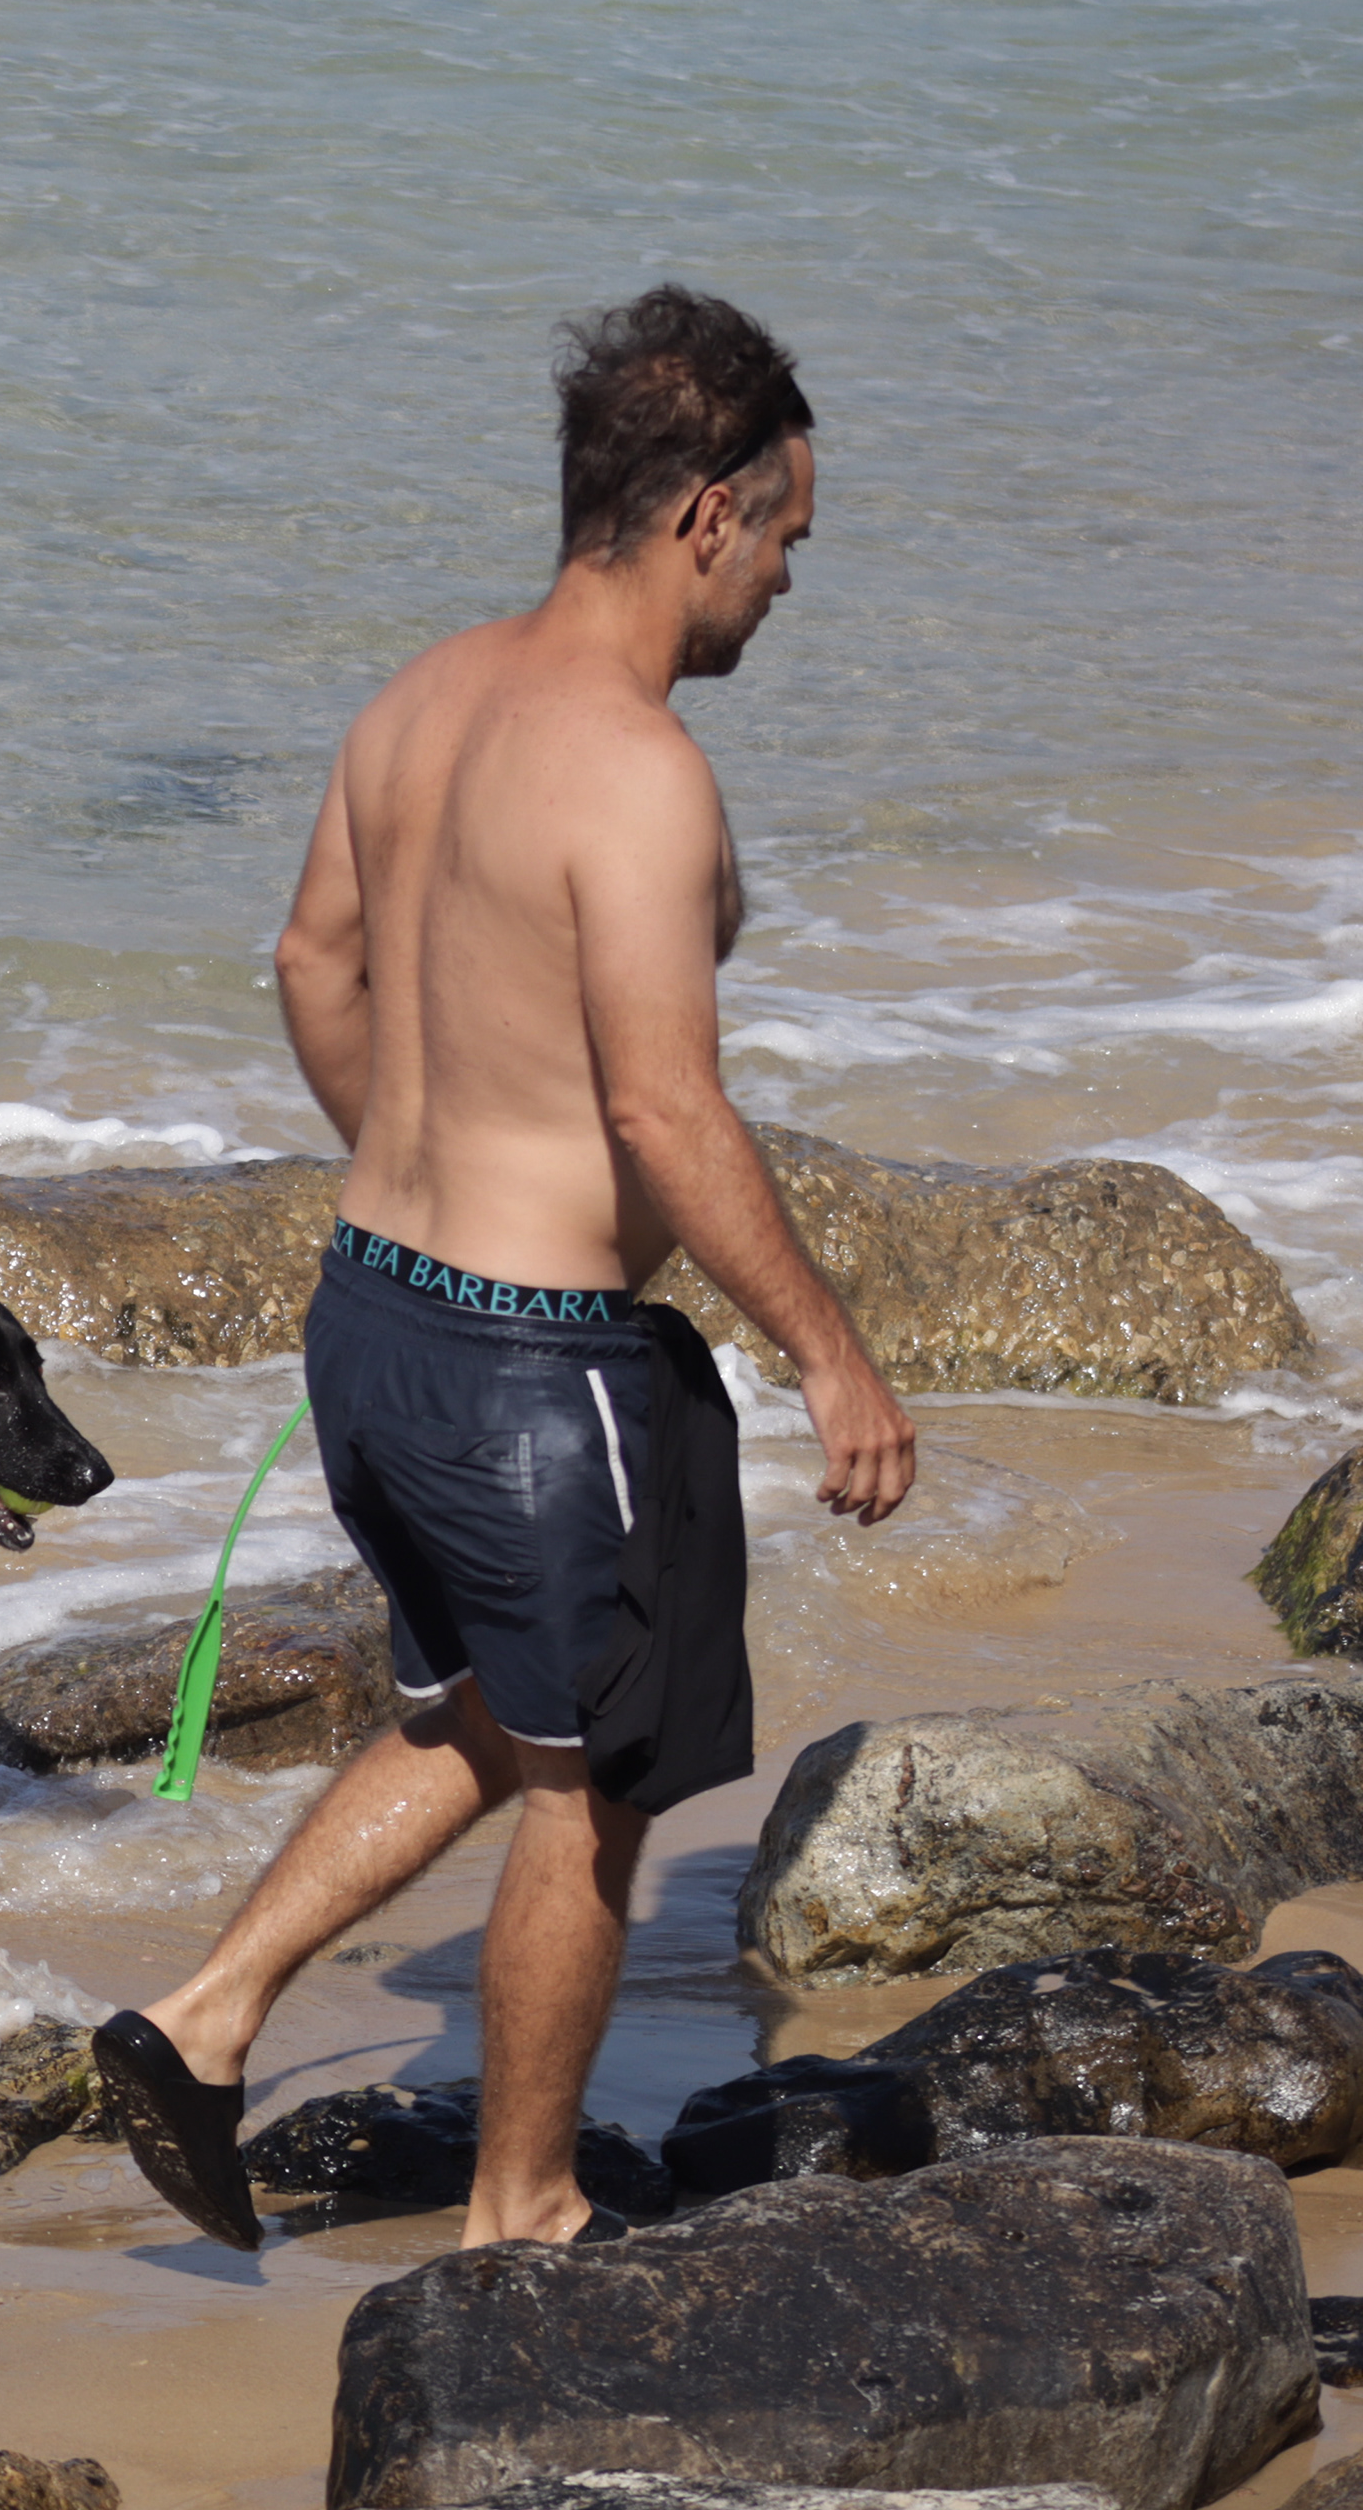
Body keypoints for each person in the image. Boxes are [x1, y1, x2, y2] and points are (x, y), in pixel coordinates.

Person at [91, 286, 918, 2254]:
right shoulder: (633, 769)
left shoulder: (421, 699)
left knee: (484, 1709)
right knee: (590, 1786)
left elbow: (312, 960)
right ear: (705, 511)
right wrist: (831, 1353)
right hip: (542, 1366)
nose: (787, 585)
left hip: (375, 1319)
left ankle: (201, 2015)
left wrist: (427, 1173)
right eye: (789, 536)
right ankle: (523, 2204)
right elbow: (664, 1111)